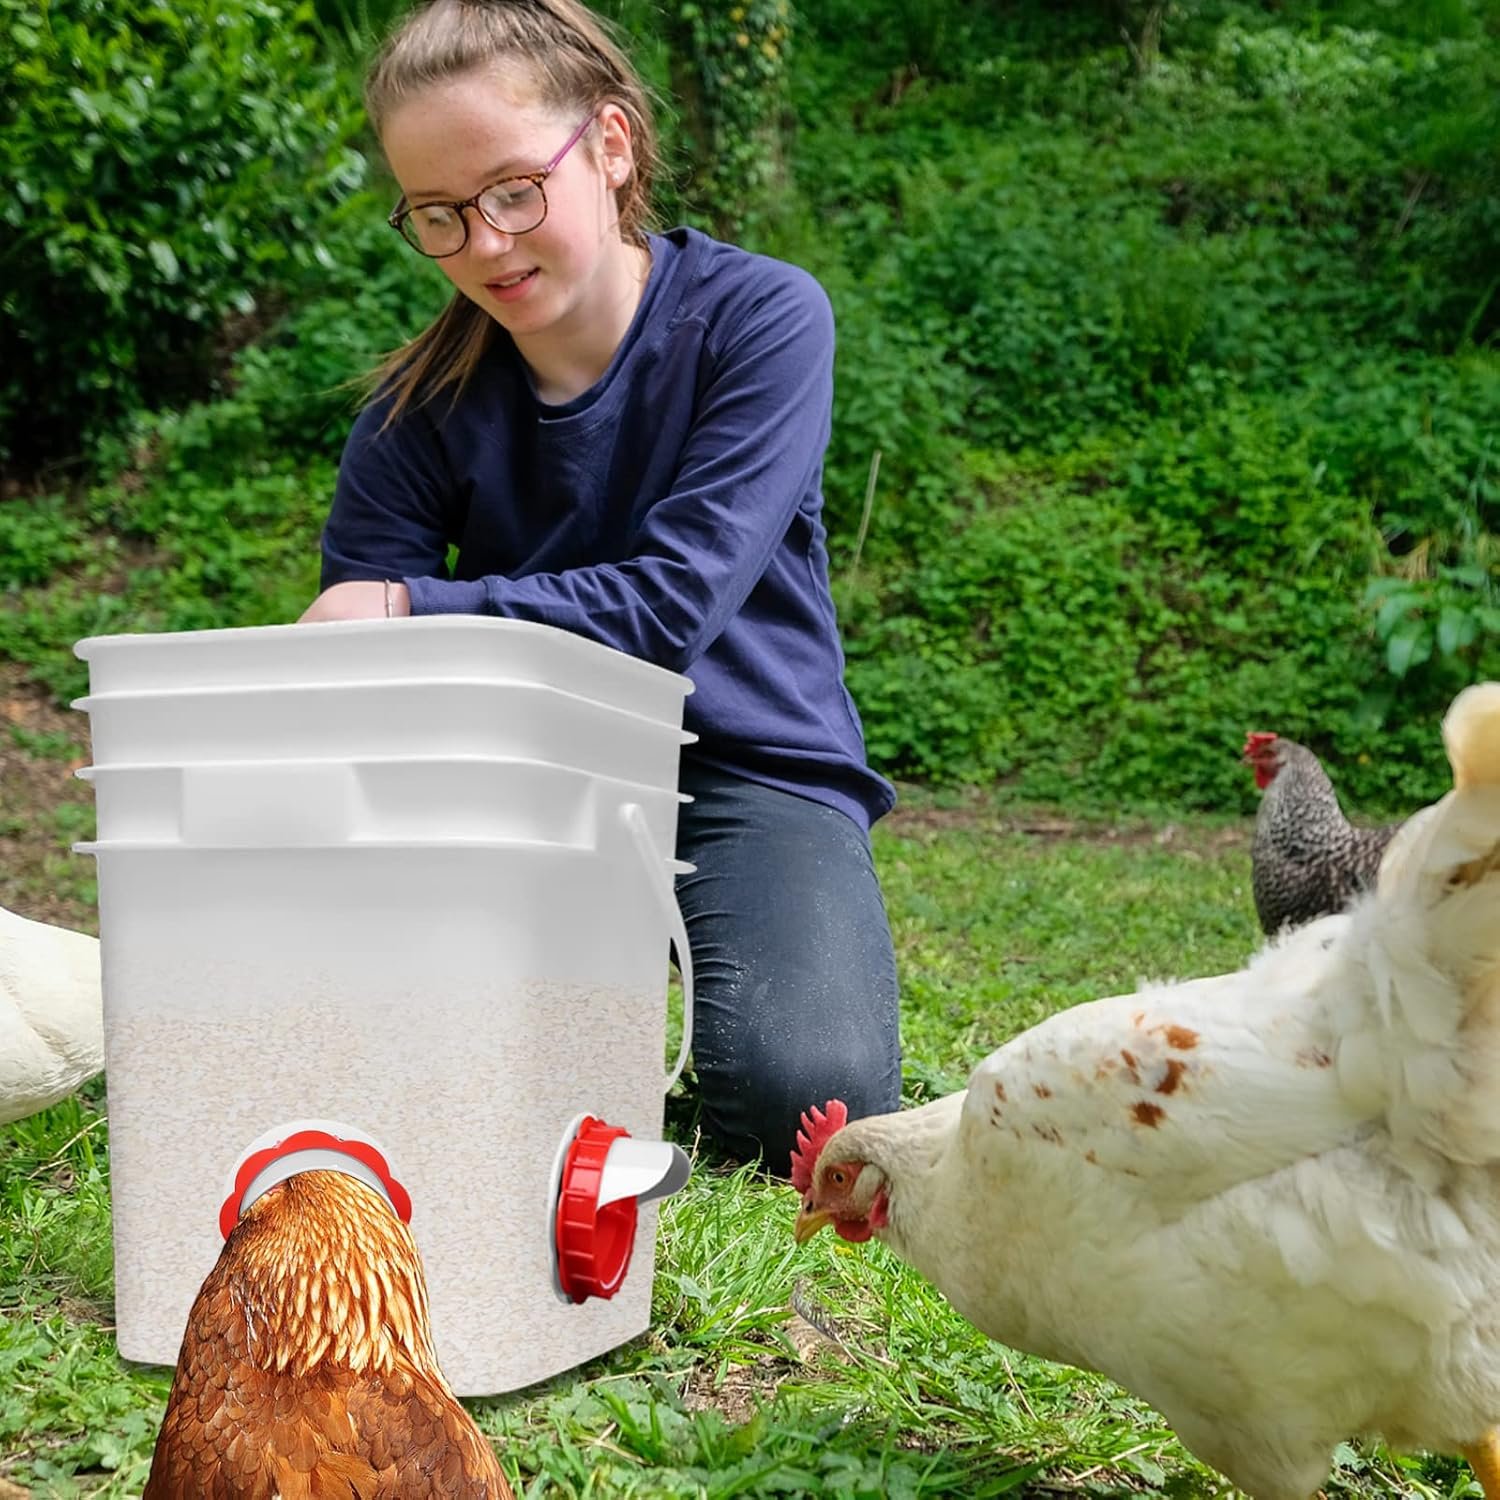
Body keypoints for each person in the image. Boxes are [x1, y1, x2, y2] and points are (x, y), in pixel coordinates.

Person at [299, 0, 900, 1169]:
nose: (484, 245)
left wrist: (415, 605)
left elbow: (670, 607)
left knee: (802, 1101)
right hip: (518, 787)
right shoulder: (414, 413)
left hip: (749, 766)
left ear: (611, 147)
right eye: (439, 214)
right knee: (391, 1070)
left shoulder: (761, 321)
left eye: (514, 191)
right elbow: (362, 691)